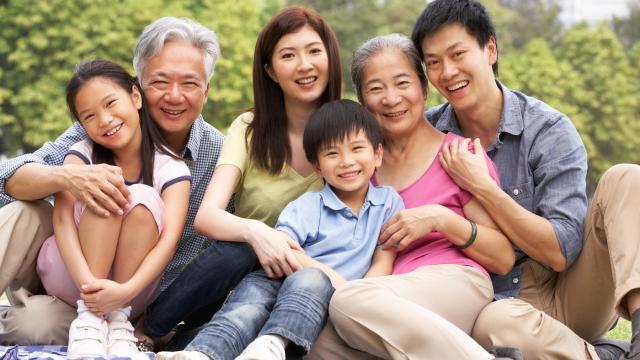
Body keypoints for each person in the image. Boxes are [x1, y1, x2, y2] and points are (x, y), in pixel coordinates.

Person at [0, 17, 258, 347]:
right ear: (137, 87)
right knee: (24, 211)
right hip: (68, 273)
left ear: (206, 91)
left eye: (190, 84)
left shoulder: (219, 155)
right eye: (160, 82)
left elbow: (222, 246)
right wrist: (68, 177)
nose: (174, 96)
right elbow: (8, 179)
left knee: (36, 326)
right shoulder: (103, 122)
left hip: (133, 307)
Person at [411, 0, 640, 359]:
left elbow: (561, 251)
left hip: (571, 290)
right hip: (500, 305)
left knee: (627, 178)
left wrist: (483, 188)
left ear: (490, 49)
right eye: (434, 62)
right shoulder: (426, 135)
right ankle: (605, 355)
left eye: (457, 54)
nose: (448, 71)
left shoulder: (548, 129)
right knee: (497, 325)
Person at [135, 5, 343, 352]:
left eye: (314, 51)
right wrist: (257, 232)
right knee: (240, 250)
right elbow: (207, 216)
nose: (304, 65)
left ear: (331, 58)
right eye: (288, 55)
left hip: (308, 280)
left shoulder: (351, 133)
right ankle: (150, 328)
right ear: (270, 70)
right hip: (243, 274)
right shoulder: (249, 130)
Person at [309, 34, 519, 360]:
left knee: (348, 302)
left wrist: (442, 220)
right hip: (381, 298)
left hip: (455, 282)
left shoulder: (458, 155)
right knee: (319, 341)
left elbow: (503, 257)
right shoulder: (357, 170)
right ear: (363, 101)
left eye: (402, 83)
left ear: (423, 88)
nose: (391, 98)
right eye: (376, 89)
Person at [156, 99, 403, 360]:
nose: (346, 161)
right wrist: (337, 281)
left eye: (356, 149)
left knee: (311, 283)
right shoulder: (310, 204)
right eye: (332, 153)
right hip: (277, 277)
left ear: (377, 154)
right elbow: (286, 250)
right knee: (245, 310)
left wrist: (357, 295)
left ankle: (271, 345)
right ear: (317, 167)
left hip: (322, 296)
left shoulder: (388, 203)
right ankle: (201, 353)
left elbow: (383, 259)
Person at [34, 59, 191, 358]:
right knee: (103, 183)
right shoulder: (82, 155)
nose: (104, 120)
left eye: (110, 104)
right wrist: (89, 289)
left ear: (135, 96)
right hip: (71, 273)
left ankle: (117, 321)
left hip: (131, 290)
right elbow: (63, 221)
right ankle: (91, 318)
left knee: (141, 197)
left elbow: (169, 241)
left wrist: (124, 293)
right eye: (90, 116)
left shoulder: (170, 167)